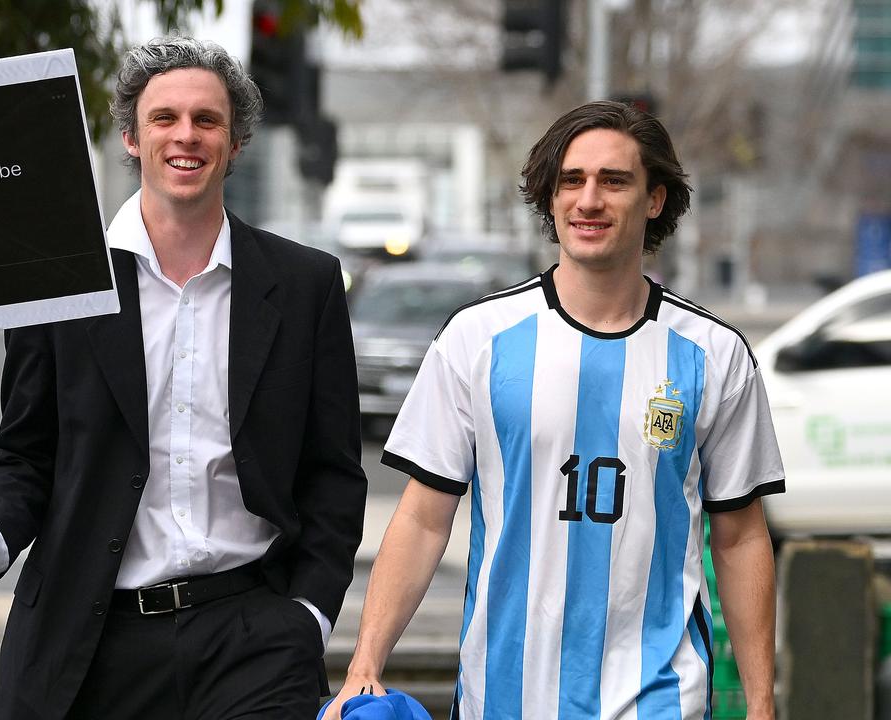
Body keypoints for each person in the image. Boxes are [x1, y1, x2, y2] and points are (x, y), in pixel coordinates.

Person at [0, 37, 366, 720]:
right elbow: (24, 452)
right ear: (131, 137)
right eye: (165, 118)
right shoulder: (62, 283)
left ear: (236, 142)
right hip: (90, 638)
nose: (185, 136)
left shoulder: (306, 285)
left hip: (253, 634)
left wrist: (307, 616)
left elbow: (333, 471)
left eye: (207, 119)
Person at [326, 101, 784, 720]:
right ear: (549, 197)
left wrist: (760, 704)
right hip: (504, 698)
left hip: (660, 701)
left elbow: (740, 535)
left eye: (613, 181)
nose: (588, 200)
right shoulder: (475, 338)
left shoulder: (715, 353)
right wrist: (365, 663)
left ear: (655, 200)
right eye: (571, 181)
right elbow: (424, 518)